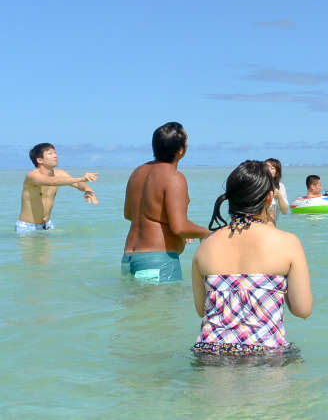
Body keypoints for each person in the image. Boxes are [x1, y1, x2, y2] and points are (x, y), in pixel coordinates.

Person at [191, 160, 312, 360]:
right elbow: (303, 310)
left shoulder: (206, 244)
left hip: (210, 353)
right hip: (266, 353)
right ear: (269, 198)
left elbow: (200, 310)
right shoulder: (287, 243)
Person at [123, 122, 209, 284]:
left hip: (129, 257)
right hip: (157, 262)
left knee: (138, 308)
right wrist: (206, 233)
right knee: (162, 309)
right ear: (181, 151)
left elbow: (128, 214)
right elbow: (180, 227)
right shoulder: (174, 177)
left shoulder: (137, 172)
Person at [16, 143, 99, 234]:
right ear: (40, 160)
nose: (55, 156)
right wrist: (82, 178)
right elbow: (52, 182)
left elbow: (78, 184)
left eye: (55, 153)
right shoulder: (32, 176)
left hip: (47, 225)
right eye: (50, 153)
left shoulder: (60, 173)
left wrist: (88, 190)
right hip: (28, 227)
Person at [265, 157, 290, 226]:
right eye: (266, 167)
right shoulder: (257, 185)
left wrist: (279, 196)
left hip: (271, 226)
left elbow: (285, 211)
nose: (268, 169)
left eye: (272, 168)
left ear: (276, 173)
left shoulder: (280, 187)